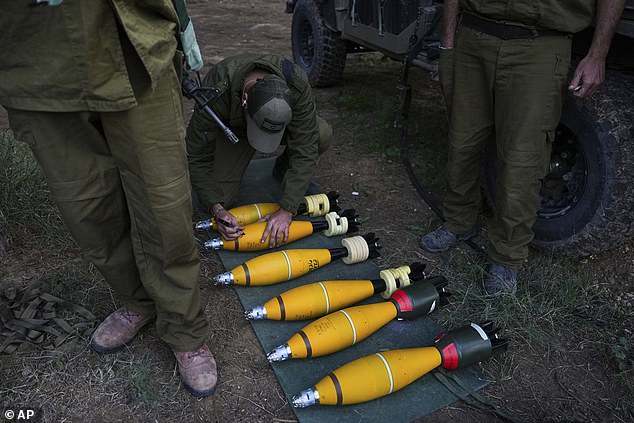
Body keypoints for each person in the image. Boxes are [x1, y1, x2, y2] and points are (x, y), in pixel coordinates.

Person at [0, 0, 216, 398]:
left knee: (163, 206)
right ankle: (138, 300)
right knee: (88, 209)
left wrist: (182, 20)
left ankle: (184, 327)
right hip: (32, 60)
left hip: (129, 38)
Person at [420, 0, 625, 295]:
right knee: (462, 140)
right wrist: (449, 41)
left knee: (523, 159)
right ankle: (458, 221)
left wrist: (598, 54)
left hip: (539, 46)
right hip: (473, 37)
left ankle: (507, 256)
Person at [186, 53, 332, 248]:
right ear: (245, 98)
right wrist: (217, 208)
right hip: (233, 133)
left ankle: (283, 173)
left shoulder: (296, 83)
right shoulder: (218, 86)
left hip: (267, 124)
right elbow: (197, 155)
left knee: (320, 133)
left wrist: (288, 209)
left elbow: (305, 148)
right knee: (218, 197)